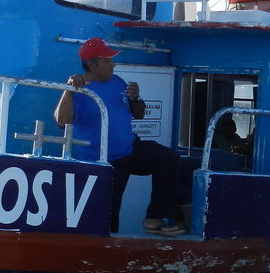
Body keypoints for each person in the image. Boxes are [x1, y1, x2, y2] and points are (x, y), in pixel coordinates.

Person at [54, 37, 185, 236]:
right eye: (107, 61)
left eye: (112, 60)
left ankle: (154, 218)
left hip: (129, 150)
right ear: (91, 65)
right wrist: (69, 91)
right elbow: (62, 122)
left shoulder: (118, 82)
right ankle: (105, 249)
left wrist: (135, 98)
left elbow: (138, 114)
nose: (112, 64)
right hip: (102, 161)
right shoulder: (78, 90)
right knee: (108, 215)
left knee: (168, 158)